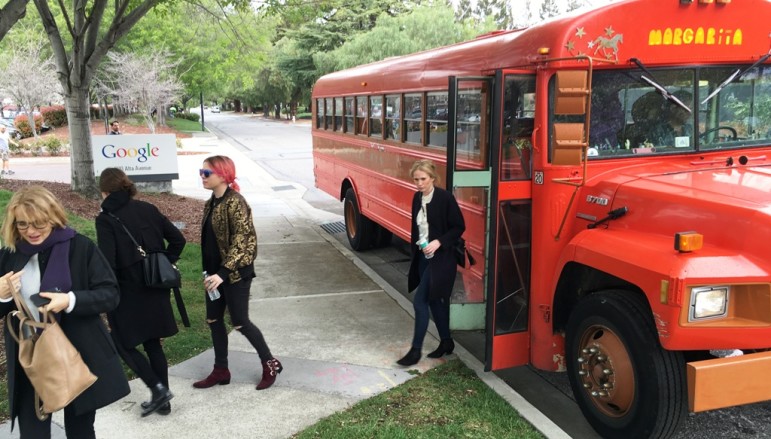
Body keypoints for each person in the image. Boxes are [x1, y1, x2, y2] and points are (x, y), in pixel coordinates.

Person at [0, 186, 130, 438]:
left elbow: (110, 294)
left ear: (54, 216)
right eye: (23, 224)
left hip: (77, 353)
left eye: (39, 223)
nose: (31, 231)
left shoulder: (79, 247)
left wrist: (70, 300)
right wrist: (2, 294)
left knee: (80, 430)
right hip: (30, 357)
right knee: (32, 432)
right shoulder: (10, 254)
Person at [95, 168, 186, 417]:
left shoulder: (106, 219)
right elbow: (178, 240)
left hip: (128, 292)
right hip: (156, 287)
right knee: (153, 343)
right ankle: (163, 399)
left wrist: (104, 294)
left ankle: (158, 390)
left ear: (104, 191)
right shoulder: (147, 208)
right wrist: (166, 262)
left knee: (120, 342)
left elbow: (108, 263)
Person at [194, 155, 283, 390]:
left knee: (240, 321)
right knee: (214, 320)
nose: (202, 177)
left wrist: (222, 273)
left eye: (206, 173)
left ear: (222, 175)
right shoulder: (211, 202)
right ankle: (221, 370)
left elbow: (244, 243)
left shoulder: (236, 202)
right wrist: (209, 273)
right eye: (201, 172)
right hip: (213, 275)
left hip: (234, 275)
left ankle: (270, 363)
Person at [397, 159, 466, 366]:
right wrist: (417, 250)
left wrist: (438, 243)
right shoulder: (416, 198)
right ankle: (446, 342)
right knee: (435, 300)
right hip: (423, 256)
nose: (419, 183)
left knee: (420, 301)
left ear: (433, 178)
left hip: (442, 257)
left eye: (423, 179)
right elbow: (417, 228)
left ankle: (415, 351)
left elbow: (458, 227)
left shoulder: (445, 198)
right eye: (416, 179)